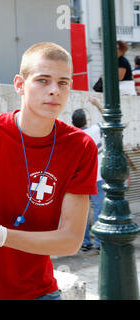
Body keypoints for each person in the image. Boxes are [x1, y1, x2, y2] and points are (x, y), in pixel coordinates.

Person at [0, 42, 98, 300]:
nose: (54, 91)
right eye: (43, 80)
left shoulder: (80, 147)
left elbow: (70, 240)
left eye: (63, 83)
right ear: (19, 84)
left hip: (38, 292)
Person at [72, 99, 105, 252]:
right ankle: (98, 243)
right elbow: (109, 118)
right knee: (99, 210)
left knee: (82, 213)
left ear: (73, 123)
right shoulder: (95, 130)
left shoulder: (72, 137)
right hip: (98, 178)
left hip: (81, 181)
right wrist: (97, 104)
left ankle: (85, 243)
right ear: (86, 120)